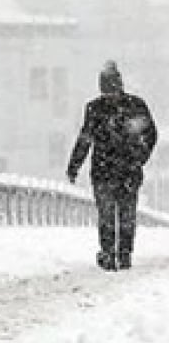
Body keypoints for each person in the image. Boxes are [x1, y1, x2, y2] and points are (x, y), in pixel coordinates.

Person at [66, 60, 158, 271]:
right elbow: (150, 134)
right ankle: (123, 254)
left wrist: (74, 165)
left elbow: (85, 139)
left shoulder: (95, 108)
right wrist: (140, 157)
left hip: (104, 170)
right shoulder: (135, 106)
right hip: (127, 170)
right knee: (126, 214)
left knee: (107, 214)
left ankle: (109, 254)